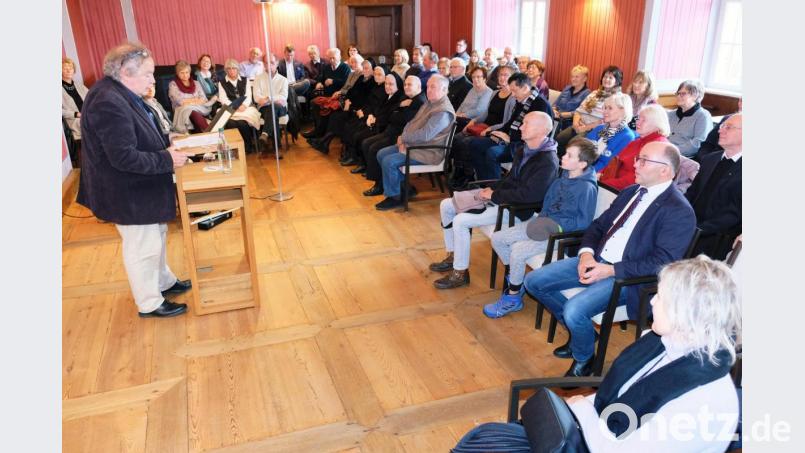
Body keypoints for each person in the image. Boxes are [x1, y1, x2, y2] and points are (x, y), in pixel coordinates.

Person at [455, 255, 740, 453]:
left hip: (597, 440)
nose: (652, 301)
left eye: (661, 297)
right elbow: (622, 393)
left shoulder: (705, 401)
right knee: (481, 438)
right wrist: (585, 406)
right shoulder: (662, 343)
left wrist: (580, 409)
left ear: (688, 313)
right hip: (592, 432)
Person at [524, 141, 696, 377]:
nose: (635, 164)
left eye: (644, 160)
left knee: (575, 310)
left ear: (665, 170)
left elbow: (664, 262)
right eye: (638, 158)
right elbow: (597, 227)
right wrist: (585, 254)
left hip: (628, 277)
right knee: (533, 282)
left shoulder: (679, 210)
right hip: (596, 259)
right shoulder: (630, 192)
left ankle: (585, 359)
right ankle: (583, 336)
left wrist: (611, 270)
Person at [77, 42, 195, 319]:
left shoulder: (120, 91)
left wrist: (167, 139)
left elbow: (139, 132)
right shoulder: (108, 101)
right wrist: (168, 159)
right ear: (124, 72)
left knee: (157, 236)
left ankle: (164, 282)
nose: (153, 80)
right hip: (126, 190)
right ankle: (149, 303)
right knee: (143, 246)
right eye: (147, 74)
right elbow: (124, 157)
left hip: (140, 187)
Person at [430, 111, 559, 289]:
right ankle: (453, 256)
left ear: (542, 130)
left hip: (516, 211)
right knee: (446, 205)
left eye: (526, 123)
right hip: (502, 200)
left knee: (460, 220)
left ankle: (460, 273)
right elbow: (510, 180)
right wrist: (492, 189)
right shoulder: (524, 150)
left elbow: (531, 196)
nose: (520, 127)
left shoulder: (547, 161)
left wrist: (494, 195)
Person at [484, 136, 600, 317]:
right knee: (498, 238)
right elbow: (547, 205)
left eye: (569, 156)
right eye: (566, 153)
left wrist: (552, 226)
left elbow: (584, 223)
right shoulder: (561, 177)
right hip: (542, 224)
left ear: (582, 164)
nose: (563, 157)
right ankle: (517, 280)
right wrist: (540, 222)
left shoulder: (586, 188)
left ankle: (513, 297)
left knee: (519, 251)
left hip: (560, 234)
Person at [374, 75, 456, 211]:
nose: (428, 90)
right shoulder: (430, 102)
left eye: (432, 87)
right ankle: (406, 189)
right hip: (414, 144)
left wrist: (405, 139)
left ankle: (394, 197)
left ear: (444, 89)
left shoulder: (442, 111)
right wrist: (402, 137)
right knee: (381, 154)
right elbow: (411, 122)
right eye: (428, 86)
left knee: (389, 161)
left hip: (428, 152)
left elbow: (425, 135)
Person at [467, 72, 553, 180]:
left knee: (492, 153)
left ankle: (494, 188)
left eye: (514, 91)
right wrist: (497, 132)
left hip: (524, 145)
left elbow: (539, 135)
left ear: (525, 88)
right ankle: (484, 181)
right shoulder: (522, 100)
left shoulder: (540, 104)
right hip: (511, 139)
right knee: (474, 143)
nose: (512, 95)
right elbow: (511, 122)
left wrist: (510, 138)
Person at [685, 113, 742, 260]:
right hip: (690, 225)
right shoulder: (711, 158)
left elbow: (735, 214)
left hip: (719, 238)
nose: (720, 130)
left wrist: (699, 229)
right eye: (721, 126)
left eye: (728, 127)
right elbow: (692, 193)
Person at [362, 75, 427, 194]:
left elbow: (403, 119)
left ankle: (379, 185)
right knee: (366, 143)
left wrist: (395, 113)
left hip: (400, 136)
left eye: (409, 85)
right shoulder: (406, 97)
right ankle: (380, 180)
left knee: (374, 148)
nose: (406, 87)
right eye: (405, 84)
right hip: (391, 131)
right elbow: (390, 113)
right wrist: (399, 106)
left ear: (418, 86)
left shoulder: (419, 101)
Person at [340, 72, 404, 169]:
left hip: (384, 128)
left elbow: (389, 116)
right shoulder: (387, 95)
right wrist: (371, 115)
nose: (387, 86)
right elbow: (377, 109)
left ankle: (364, 164)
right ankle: (357, 159)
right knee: (354, 130)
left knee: (361, 137)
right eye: (386, 84)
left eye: (391, 84)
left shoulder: (398, 97)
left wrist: (374, 119)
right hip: (376, 123)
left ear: (397, 85)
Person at [555, 65, 623, 157]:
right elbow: (579, 111)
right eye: (605, 76)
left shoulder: (617, 99)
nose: (606, 79)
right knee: (559, 139)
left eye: (610, 78)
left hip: (595, 130)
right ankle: (560, 165)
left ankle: (569, 168)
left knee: (573, 144)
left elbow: (606, 121)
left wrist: (585, 128)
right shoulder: (595, 93)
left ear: (617, 81)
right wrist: (575, 124)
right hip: (579, 125)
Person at [599, 103, 670, 190]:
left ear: (657, 124)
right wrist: (599, 174)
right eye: (638, 118)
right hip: (610, 184)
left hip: (625, 191)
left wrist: (604, 184)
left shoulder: (658, 146)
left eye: (644, 120)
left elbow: (637, 179)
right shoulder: (637, 141)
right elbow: (614, 161)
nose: (637, 122)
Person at [584, 92, 636, 171]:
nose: (604, 111)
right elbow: (581, 150)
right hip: (583, 168)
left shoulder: (627, 136)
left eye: (610, 108)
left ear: (623, 111)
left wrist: (585, 173)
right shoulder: (599, 128)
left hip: (597, 176)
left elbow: (608, 164)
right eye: (605, 108)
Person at [218, 58, 261, 153]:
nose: (232, 70)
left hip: (245, 107)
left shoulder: (245, 80)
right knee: (231, 123)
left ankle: (248, 146)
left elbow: (248, 95)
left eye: (234, 68)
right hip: (230, 108)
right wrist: (235, 106)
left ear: (238, 69)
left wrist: (244, 105)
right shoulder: (221, 83)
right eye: (229, 68)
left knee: (243, 123)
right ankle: (236, 147)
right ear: (226, 70)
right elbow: (223, 99)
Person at [668, 79, 713, 158]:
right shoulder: (671, 114)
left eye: (683, 94)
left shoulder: (703, 116)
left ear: (695, 96)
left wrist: (672, 150)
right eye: (678, 93)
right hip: (665, 152)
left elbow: (698, 143)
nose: (678, 96)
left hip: (684, 157)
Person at [253, 54, 289, 148]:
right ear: (264, 64)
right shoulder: (258, 78)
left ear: (277, 63)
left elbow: (283, 97)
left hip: (281, 108)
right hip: (264, 109)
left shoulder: (283, 80)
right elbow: (257, 98)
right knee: (273, 114)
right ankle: (277, 147)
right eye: (266, 63)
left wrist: (268, 98)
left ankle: (265, 134)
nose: (269, 65)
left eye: (272, 62)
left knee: (273, 108)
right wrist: (275, 99)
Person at [167, 59, 211, 133]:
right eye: (182, 73)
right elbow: (180, 102)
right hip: (181, 110)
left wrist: (189, 101)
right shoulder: (173, 84)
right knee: (192, 112)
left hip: (200, 108)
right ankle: (210, 131)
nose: (185, 75)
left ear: (190, 72)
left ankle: (204, 133)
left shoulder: (196, 83)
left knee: (193, 112)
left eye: (187, 72)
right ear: (177, 73)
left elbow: (204, 99)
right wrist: (196, 100)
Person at [552, 65, 590, 131]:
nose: (573, 79)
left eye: (577, 77)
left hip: (569, 123)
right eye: (572, 76)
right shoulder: (567, 88)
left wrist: (565, 114)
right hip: (556, 118)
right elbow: (556, 103)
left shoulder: (587, 93)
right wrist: (553, 110)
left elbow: (581, 112)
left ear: (585, 79)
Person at [455, 66, 494, 130]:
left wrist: (462, 115)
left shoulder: (488, 92)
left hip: (472, 121)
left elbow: (479, 111)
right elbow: (463, 104)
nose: (475, 79)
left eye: (478, 77)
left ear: (484, 78)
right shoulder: (472, 89)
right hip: (461, 118)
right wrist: (456, 114)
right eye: (473, 77)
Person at [62, 57, 89, 143]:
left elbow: (92, 98)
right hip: (74, 121)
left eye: (71, 68)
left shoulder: (79, 86)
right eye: (65, 68)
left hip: (87, 115)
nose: (69, 70)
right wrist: (76, 114)